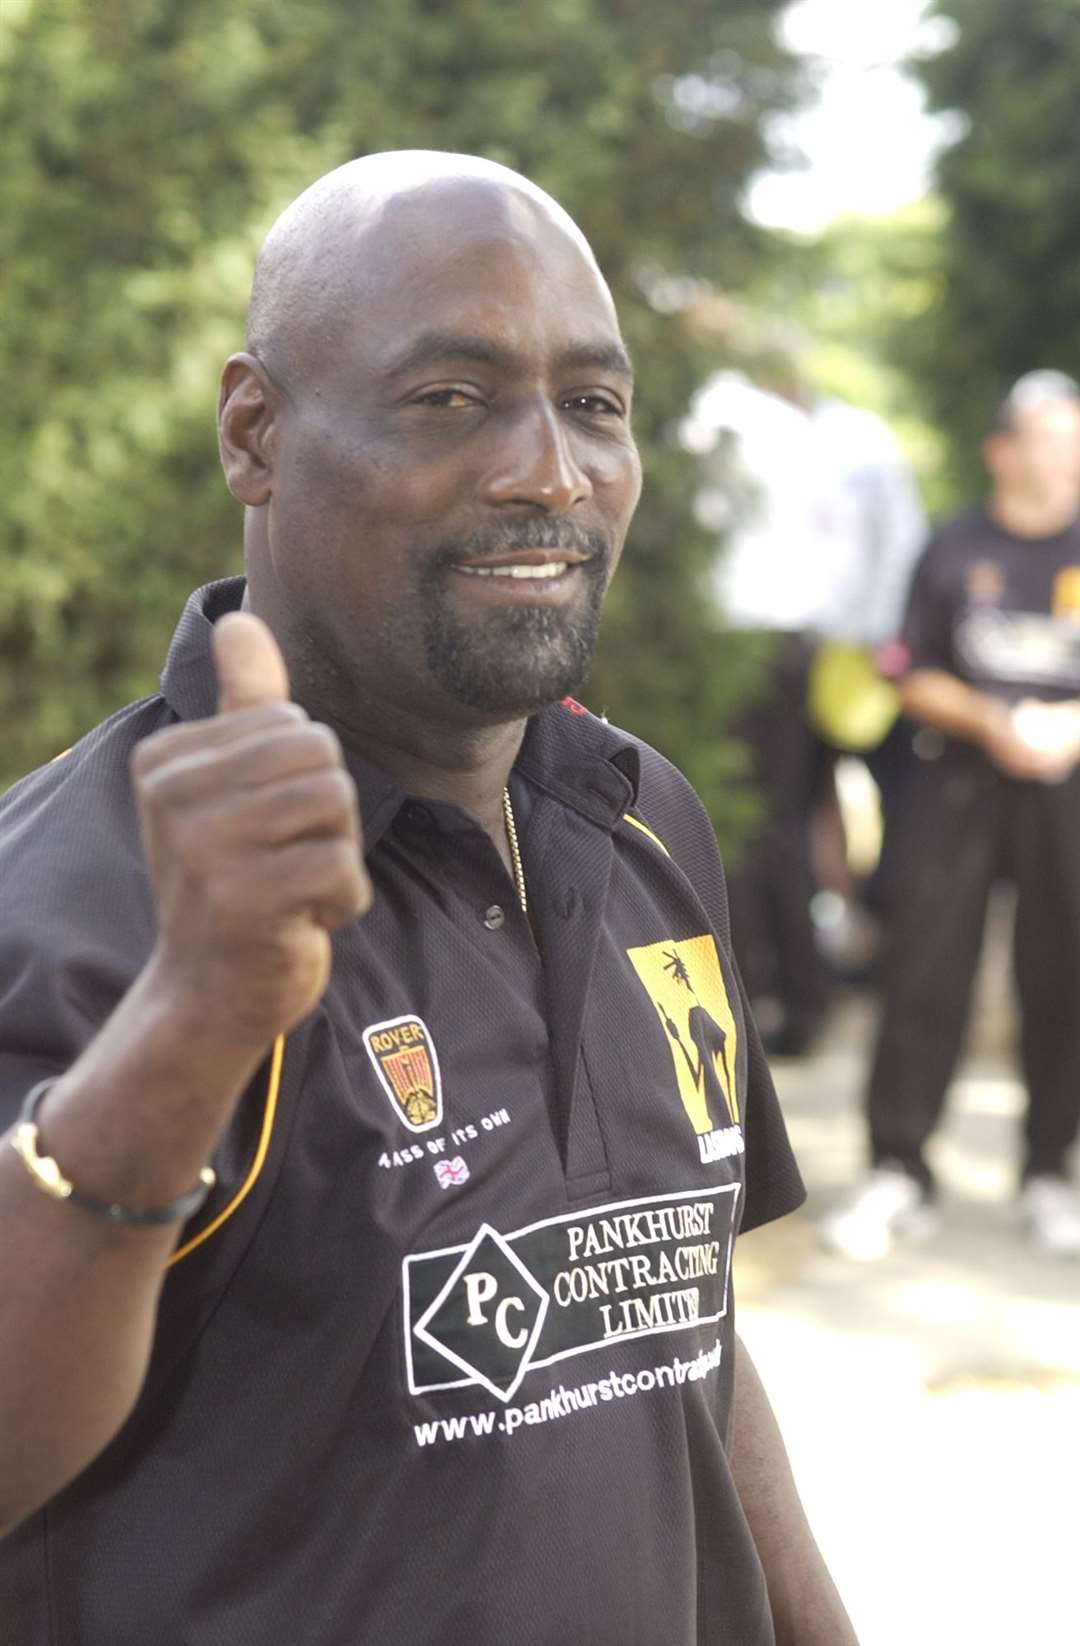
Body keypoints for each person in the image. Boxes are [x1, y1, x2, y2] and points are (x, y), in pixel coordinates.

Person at [0, 153, 858, 1644]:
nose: (551, 470)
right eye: (452, 399)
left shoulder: (644, 818)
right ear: (255, 433)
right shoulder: (69, 901)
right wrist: (191, 1023)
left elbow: (670, 1317)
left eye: (594, 403)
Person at [821, 370, 1080, 1262]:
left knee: (1065, 972)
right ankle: (898, 1168)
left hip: (1067, 791)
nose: (1070, 456)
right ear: (1003, 451)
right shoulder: (954, 547)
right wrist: (991, 720)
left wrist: (1066, 728)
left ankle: (1051, 1170)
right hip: (957, 782)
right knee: (927, 967)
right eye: (1052, 438)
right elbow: (911, 669)